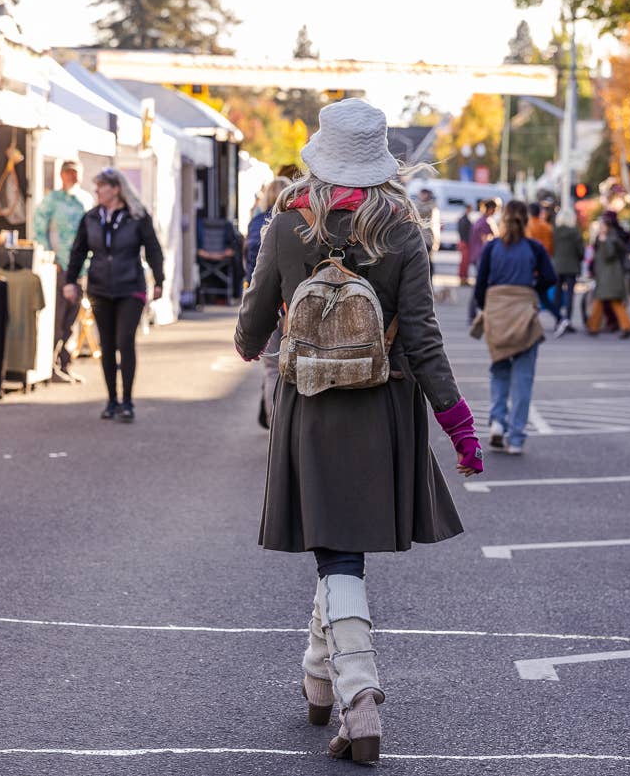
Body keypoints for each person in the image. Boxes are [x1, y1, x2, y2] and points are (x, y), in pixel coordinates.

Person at [234, 98, 482, 765]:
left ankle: (359, 694)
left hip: (311, 405)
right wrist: (459, 427)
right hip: (384, 406)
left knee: (334, 549)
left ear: (321, 154)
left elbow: (250, 331)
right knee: (340, 545)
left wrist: (267, 322)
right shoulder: (403, 231)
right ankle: (319, 676)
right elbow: (425, 341)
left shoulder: (287, 227)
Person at [63, 168, 164, 422]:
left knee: (124, 340)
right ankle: (111, 400)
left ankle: (127, 401)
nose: (96, 191)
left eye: (101, 187)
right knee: (107, 344)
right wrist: (71, 281)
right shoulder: (91, 218)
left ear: (116, 189)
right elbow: (78, 252)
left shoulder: (137, 217)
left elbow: (153, 249)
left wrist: (159, 280)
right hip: (100, 286)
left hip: (130, 286)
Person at [474, 199, 555, 455]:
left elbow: (479, 287)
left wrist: (489, 307)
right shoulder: (534, 248)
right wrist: (531, 291)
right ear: (526, 220)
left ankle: (498, 421)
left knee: (499, 369)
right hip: (524, 314)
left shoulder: (492, 248)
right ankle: (517, 437)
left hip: (498, 313)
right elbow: (550, 278)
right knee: (523, 379)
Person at [33, 160, 93, 383]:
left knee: (71, 317)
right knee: (57, 316)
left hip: (80, 268)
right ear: (61, 175)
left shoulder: (85, 200)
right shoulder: (52, 200)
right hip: (59, 266)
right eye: (69, 173)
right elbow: (38, 228)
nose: (72, 177)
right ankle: (50, 363)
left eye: (76, 173)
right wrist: (49, 256)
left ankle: (64, 362)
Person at [245, 176, 292, 428]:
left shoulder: (256, 223)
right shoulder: (296, 222)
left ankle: (276, 427)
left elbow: (251, 268)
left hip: (265, 302)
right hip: (291, 303)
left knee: (272, 368)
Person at [585, 211, 630, 338]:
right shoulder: (607, 238)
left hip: (610, 276)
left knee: (608, 301)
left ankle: (624, 326)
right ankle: (594, 326)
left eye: (602, 226)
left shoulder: (610, 238)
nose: (600, 228)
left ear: (607, 226)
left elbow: (609, 255)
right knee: (605, 301)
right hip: (606, 275)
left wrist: (603, 240)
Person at [552, 208, 584, 329]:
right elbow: (581, 251)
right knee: (570, 294)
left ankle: (557, 319)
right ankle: (568, 320)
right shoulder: (575, 232)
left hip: (558, 266)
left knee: (558, 294)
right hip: (572, 267)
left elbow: (552, 248)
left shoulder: (555, 232)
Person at [414, 187, 442, 277]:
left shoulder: (431, 206)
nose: (419, 196)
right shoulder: (419, 204)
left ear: (426, 195)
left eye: (421, 194)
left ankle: (428, 280)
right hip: (420, 238)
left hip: (426, 238)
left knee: (425, 261)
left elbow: (421, 212)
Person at [456, 204, 474, 285]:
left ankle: (463, 279)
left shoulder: (463, 218)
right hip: (464, 242)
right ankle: (463, 279)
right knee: (464, 262)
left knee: (464, 262)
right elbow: (465, 232)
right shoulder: (465, 219)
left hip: (463, 242)